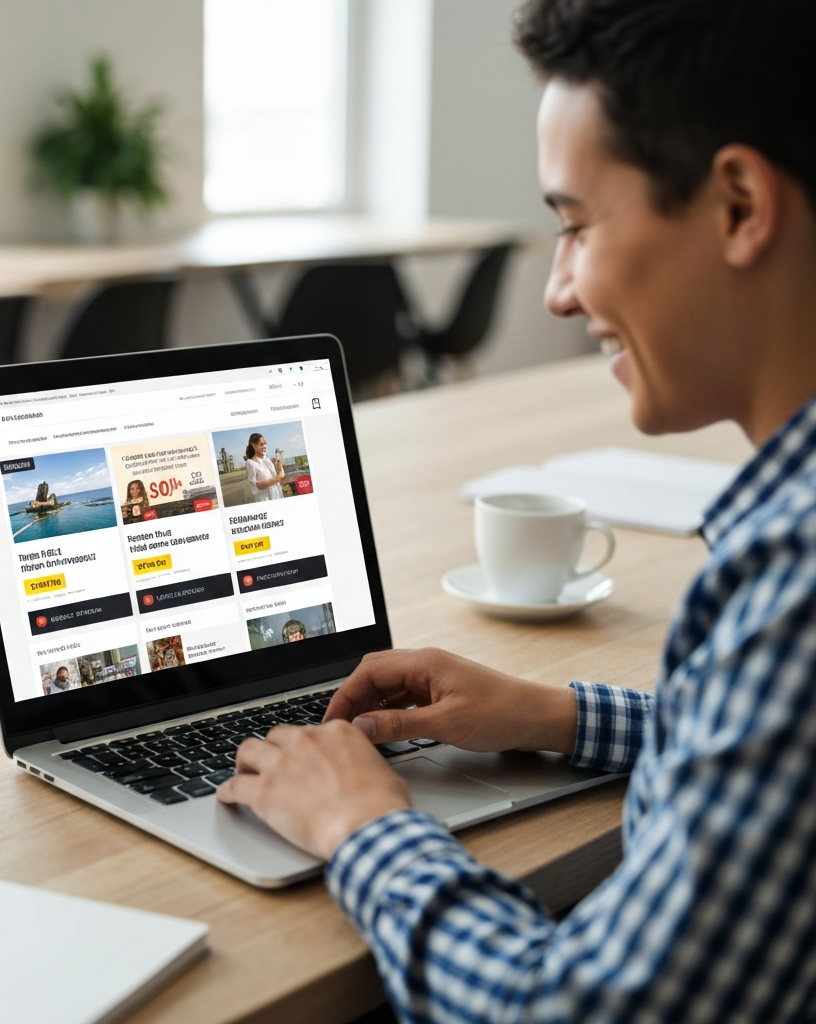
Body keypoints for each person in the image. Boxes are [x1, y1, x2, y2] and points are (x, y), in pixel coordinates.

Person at [217, 1, 816, 1020]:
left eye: (575, 225)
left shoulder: (793, 580)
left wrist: (361, 826)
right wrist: (554, 716)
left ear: (737, 206)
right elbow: (770, 754)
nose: (557, 292)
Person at [243, 433, 285, 502]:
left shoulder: (267, 460)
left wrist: (279, 465)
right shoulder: (250, 463)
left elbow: (274, 475)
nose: (264, 446)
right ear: (254, 445)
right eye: (261, 444)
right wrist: (279, 477)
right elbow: (257, 486)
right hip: (265, 500)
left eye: (265, 444)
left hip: (277, 495)